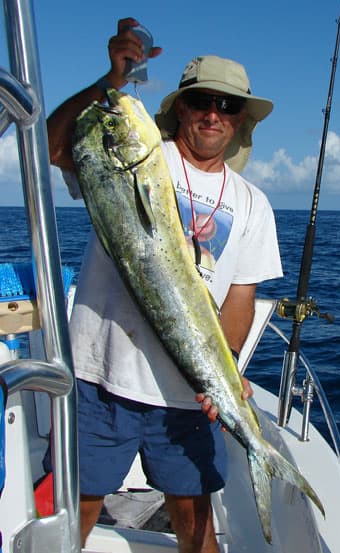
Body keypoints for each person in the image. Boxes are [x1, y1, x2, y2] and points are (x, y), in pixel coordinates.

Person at [46, 17, 283, 552]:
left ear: (242, 120)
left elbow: (240, 302)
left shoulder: (253, 205)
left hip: (188, 394)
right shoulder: (137, 151)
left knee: (196, 524)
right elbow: (57, 147)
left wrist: (226, 377)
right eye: (201, 100)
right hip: (100, 376)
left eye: (227, 105)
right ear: (180, 105)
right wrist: (112, 81)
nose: (212, 114)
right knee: (74, 513)